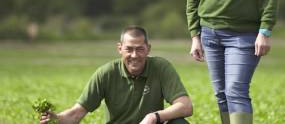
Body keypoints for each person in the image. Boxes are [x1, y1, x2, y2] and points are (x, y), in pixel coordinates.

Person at [186, 0, 279, 123]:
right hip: (209, 34)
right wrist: (194, 35)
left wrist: (265, 30)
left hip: (243, 35)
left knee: (236, 91)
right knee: (221, 94)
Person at [40, 26, 192, 124]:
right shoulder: (106, 73)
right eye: (129, 49)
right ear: (120, 49)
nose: (134, 55)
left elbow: (186, 106)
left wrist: (154, 117)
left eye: (140, 49)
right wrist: (57, 119)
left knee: (179, 123)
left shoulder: (160, 67)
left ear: (148, 49)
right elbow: (76, 114)